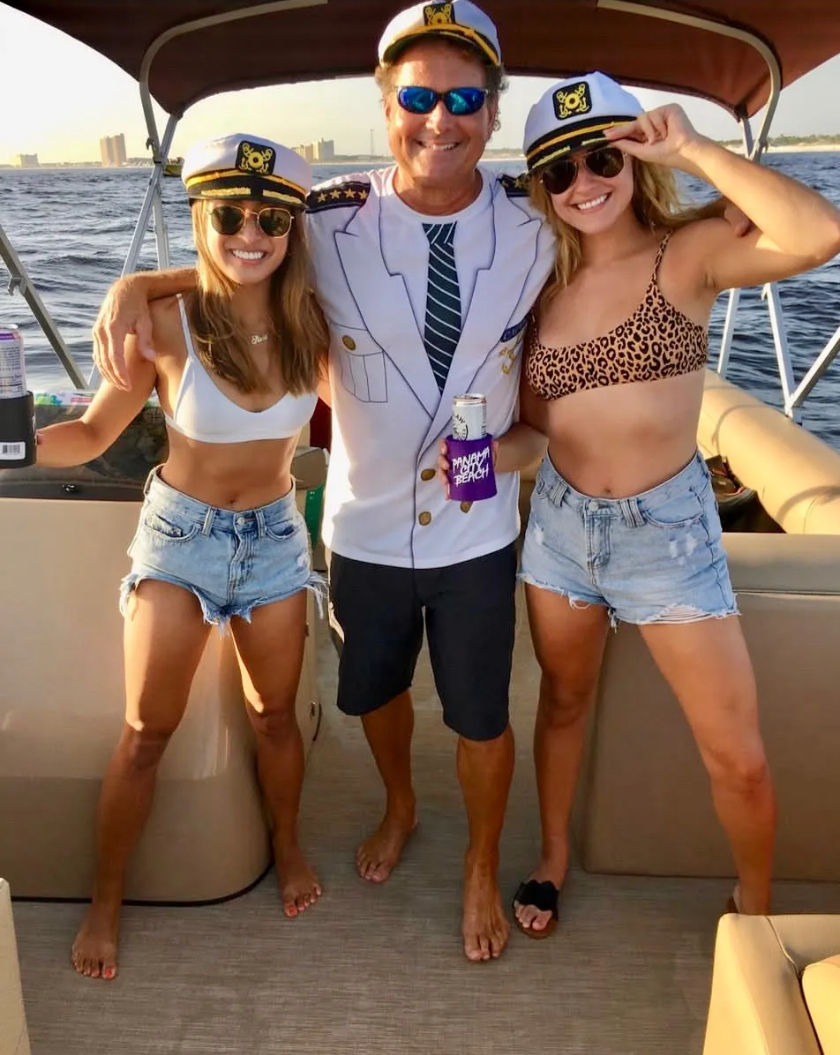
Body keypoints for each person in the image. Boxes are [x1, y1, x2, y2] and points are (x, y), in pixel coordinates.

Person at [89, 0, 555, 962]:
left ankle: (477, 864)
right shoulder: (330, 218)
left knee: (480, 711)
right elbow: (239, 255)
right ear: (387, 107)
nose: (441, 119)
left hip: (477, 530)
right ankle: (398, 806)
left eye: (464, 97)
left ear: (493, 111)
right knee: (374, 692)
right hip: (366, 525)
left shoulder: (538, 222)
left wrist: (520, 452)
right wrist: (139, 285)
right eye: (418, 96)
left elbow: (628, 258)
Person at [510, 72, 840, 938]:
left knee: (737, 755)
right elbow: (535, 427)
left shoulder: (686, 255)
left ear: (633, 155)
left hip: (668, 532)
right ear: (541, 189)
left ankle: (756, 913)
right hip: (559, 531)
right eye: (559, 171)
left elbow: (818, 235)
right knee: (562, 701)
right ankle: (550, 856)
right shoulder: (541, 288)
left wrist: (692, 145)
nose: (583, 182)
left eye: (600, 157)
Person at [34, 133, 329, 978]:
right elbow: (92, 433)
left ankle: (290, 846)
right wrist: (11, 444)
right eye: (228, 213)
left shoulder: (314, 317)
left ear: (291, 226)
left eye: (269, 216)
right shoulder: (164, 323)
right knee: (143, 732)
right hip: (180, 539)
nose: (249, 232)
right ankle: (106, 899)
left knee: (275, 717)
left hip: (275, 538)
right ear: (201, 218)